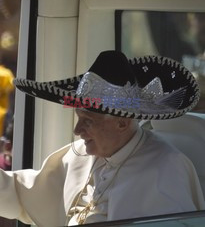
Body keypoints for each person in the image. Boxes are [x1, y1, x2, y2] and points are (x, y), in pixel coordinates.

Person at [0, 50, 205, 226]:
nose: (77, 130)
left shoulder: (166, 169)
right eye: (78, 118)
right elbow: (21, 193)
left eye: (87, 121)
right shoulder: (79, 155)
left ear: (122, 123)